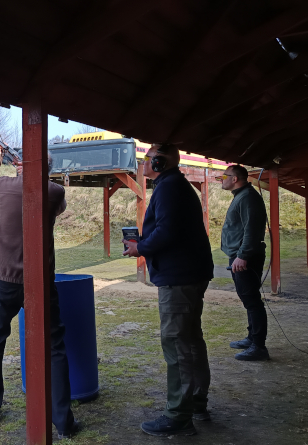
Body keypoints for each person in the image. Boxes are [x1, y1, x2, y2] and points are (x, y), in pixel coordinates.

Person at [0, 139, 79, 439]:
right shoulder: (55, 192)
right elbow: (52, 202)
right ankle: (63, 422)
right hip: (40, 282)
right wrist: (30, 172)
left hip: (2, 281)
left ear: (21, 165)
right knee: (54, 348)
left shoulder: (3, 187)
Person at [123, 143, 214, 437]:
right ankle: (196, 402)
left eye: (148, 158)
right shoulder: (173, 185)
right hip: (188, 274)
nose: (144, 163)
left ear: (159, 163)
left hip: (179, 277)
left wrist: (140, 248)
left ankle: (179, 416)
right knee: (191, 339)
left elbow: (167, 231)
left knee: (176, 343)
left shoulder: (170, 187)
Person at [220, 165, 269, 361]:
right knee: (248, 299)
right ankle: (252, 339)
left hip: (245, 257)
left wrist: (243, 255)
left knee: (252, 301)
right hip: (241, 255)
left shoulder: (248, 197)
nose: (221, 179)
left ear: (234, 179)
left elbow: (252, 231)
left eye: (224, 176)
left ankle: (258, 346)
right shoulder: (242, 196)